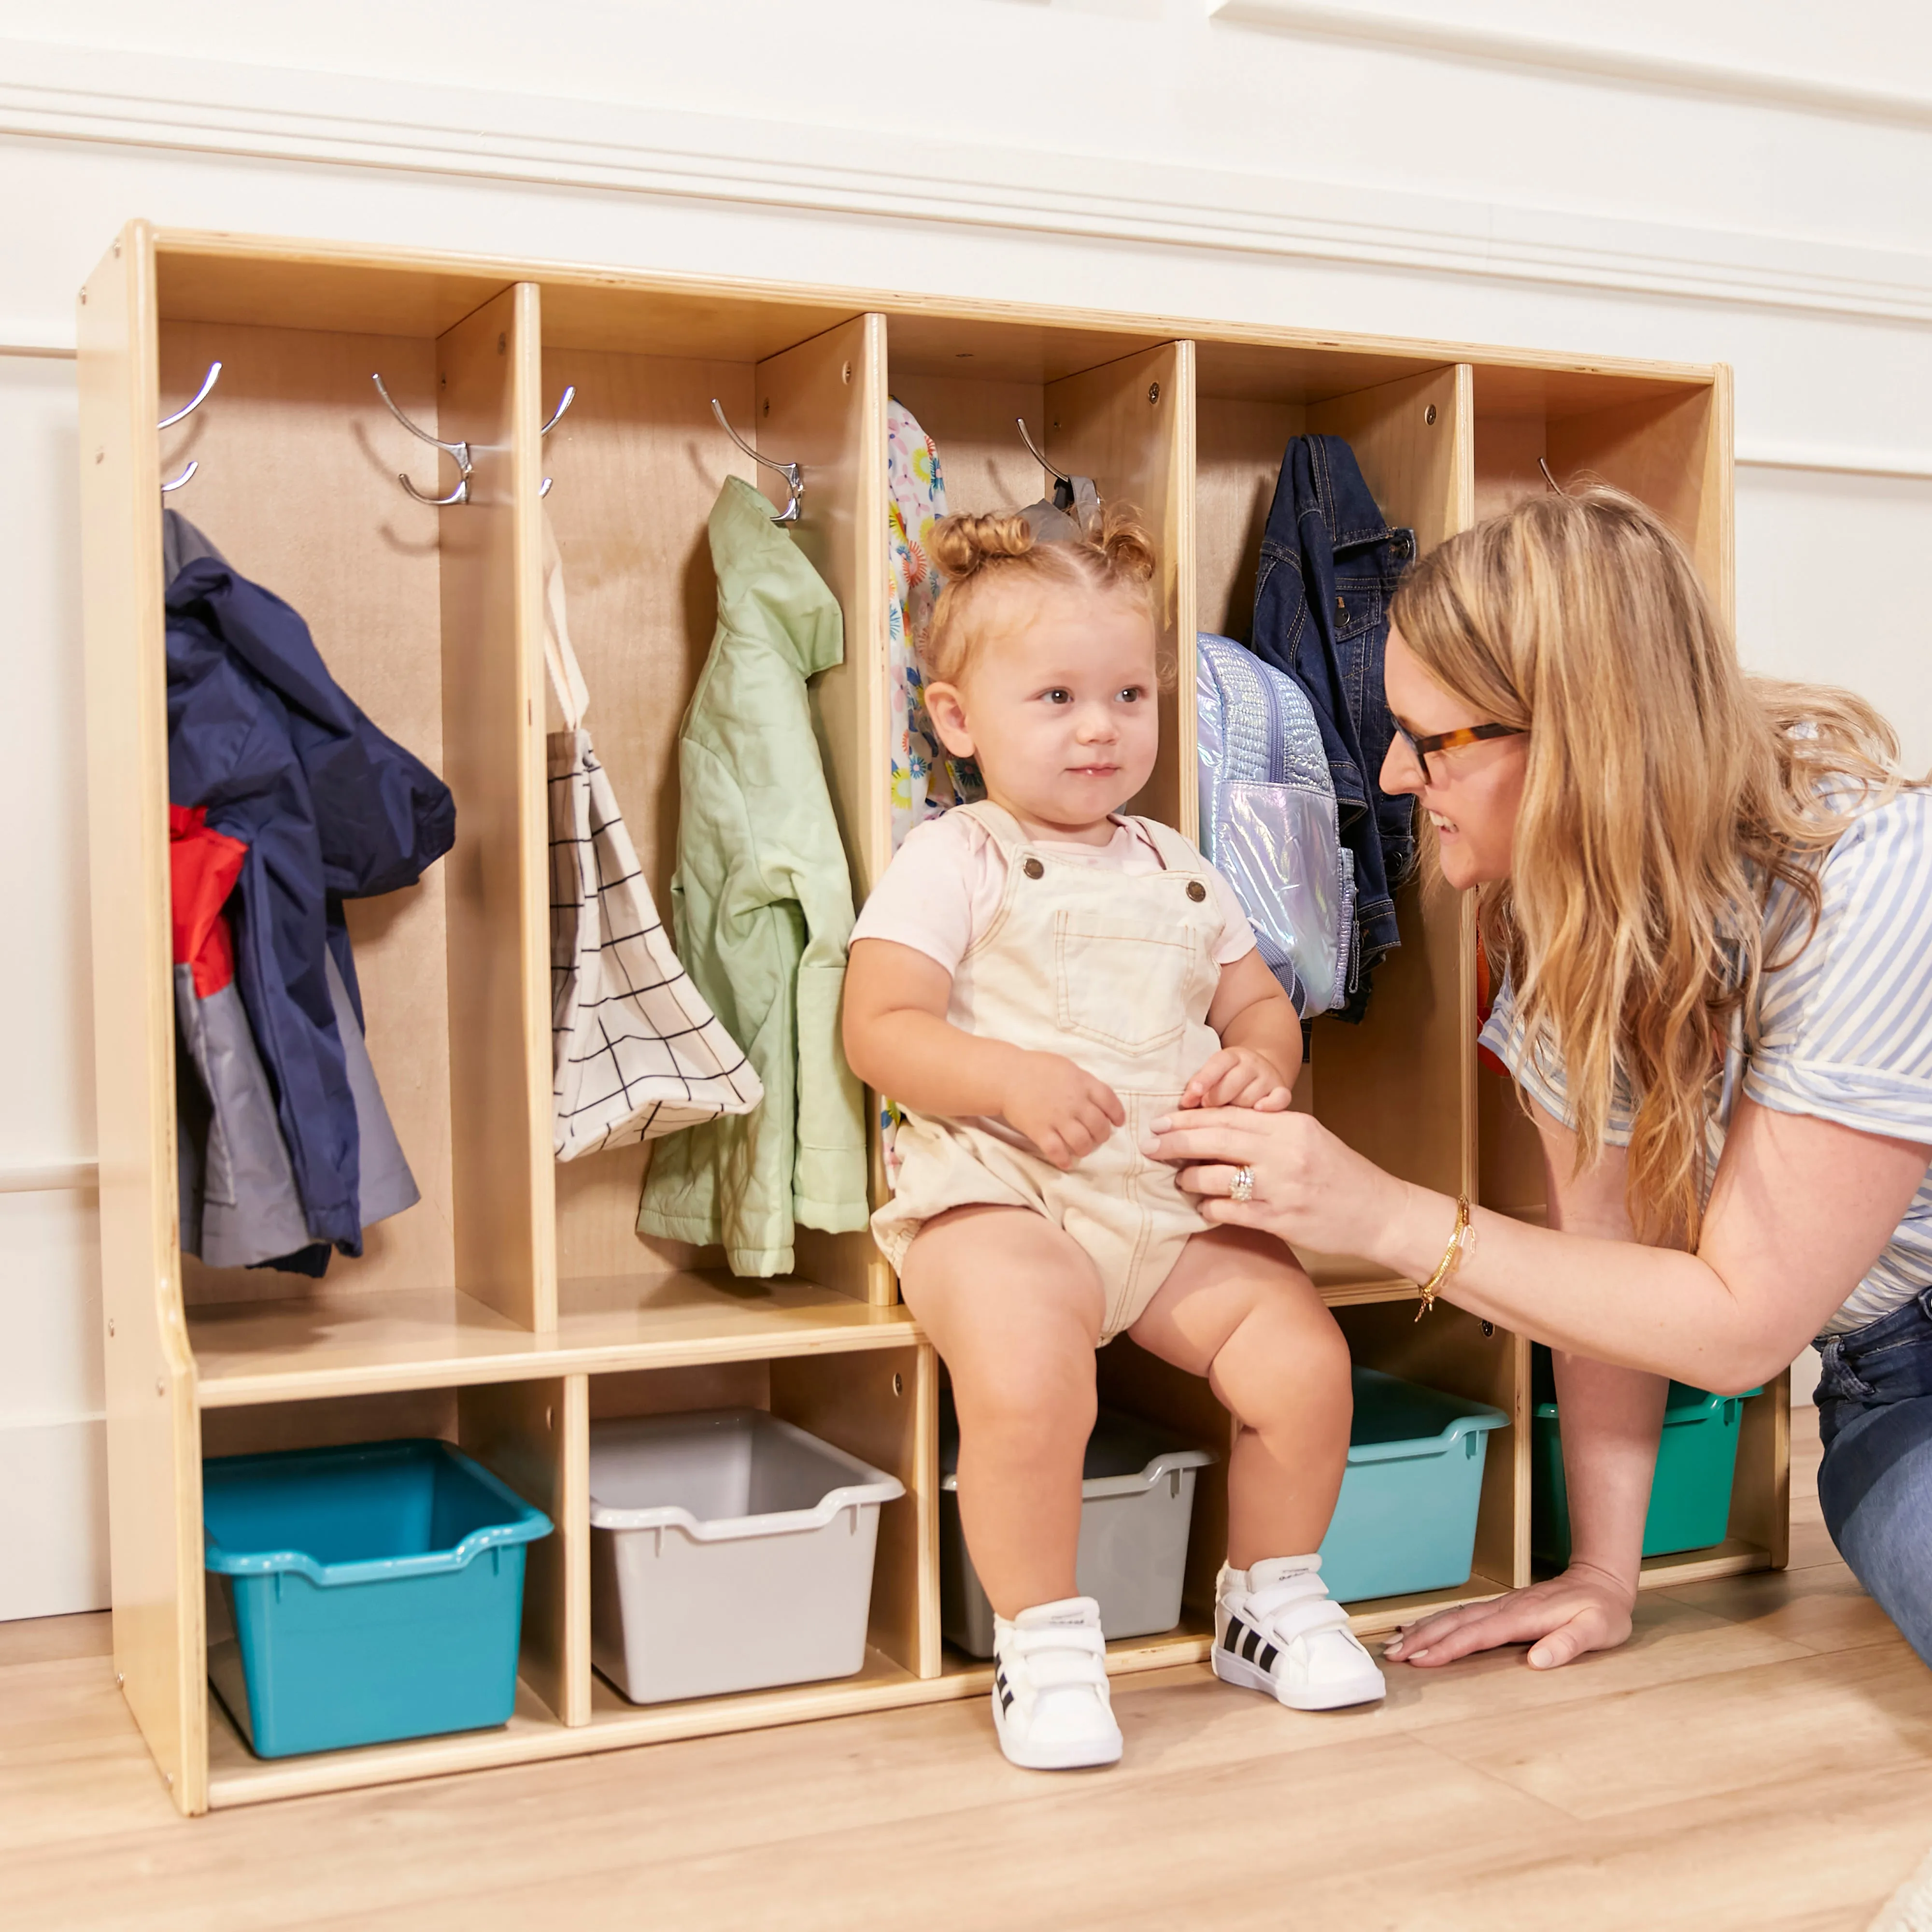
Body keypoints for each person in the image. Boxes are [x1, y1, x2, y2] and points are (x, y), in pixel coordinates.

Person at [1147, 485, 1932, 1675]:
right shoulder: (1569, 926)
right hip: (1896, 1383)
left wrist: (1376, 1212)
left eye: (1429, 738)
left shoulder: (1873, 882)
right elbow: (1608, 1271)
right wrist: (1601, 1574)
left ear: (1574, 735)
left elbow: (1740, 1331)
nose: (1396, 777)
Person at [842, 508, 1386, 1772]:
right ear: (959, 720)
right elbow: (881, 1025)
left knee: (1304, 1359)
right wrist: (1007, 1078)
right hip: (1000, 1192)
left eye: (1130, 694)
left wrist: (1267, 1055)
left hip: (1164, 1198)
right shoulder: (954, 855)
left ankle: (1275, 1594)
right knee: (1033, 1378)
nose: (1101, 726)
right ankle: (1042, 1640)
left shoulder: (1178, 864)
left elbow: (1254, 996)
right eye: (1058, 697)